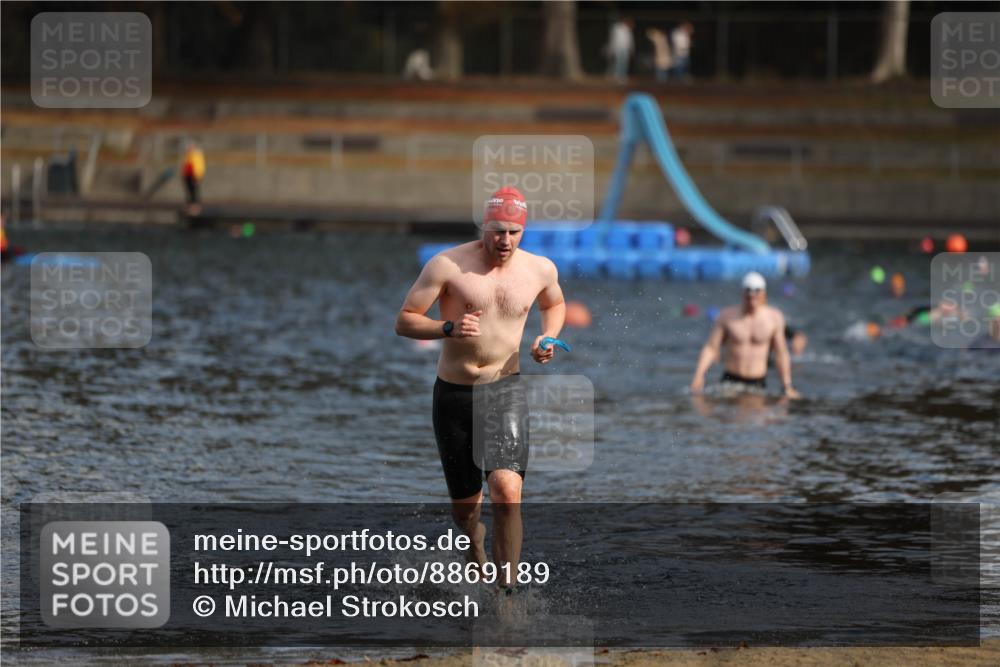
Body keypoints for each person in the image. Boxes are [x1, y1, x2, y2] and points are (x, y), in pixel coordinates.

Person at [395, 186, 567, 592]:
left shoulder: (540, 269)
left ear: (522, 231)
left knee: (508, 492)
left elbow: (554, 305)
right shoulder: (447, 265)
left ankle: (506, 594)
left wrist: (548, 339)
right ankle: (475, 550)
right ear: (483, 226)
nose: (504, 240)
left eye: (512, 232)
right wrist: (447, 328)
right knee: (466, 513)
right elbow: (404, 320)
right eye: (496, 231)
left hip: (503, 390)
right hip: (454, 395)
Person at [690, 272, 800, 398]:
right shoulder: (727, 316)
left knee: (759, 415)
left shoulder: (774, 318)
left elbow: (781, 354)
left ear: (764, 294)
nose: (752, 298)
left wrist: (786, 385)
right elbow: (711, 348)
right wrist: (699, 376)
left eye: (756, 293)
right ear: (742, 294)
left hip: (758, 383)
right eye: (748, 294)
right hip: (730, 381)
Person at [181, 140, 205, 215]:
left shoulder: (197, 154)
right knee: (188, 190)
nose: (188, 148)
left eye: (190, 147)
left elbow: (200, 165)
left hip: (194, 175)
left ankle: (196, 206)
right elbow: (185, 165)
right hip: (187, 175)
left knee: (194, 190)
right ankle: (189, 205)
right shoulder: (188, 155)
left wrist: (198, 175)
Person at [606, 18, 634, 83]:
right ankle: (617, 76)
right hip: (618, 48)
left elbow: (630, 41)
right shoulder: (617, 28)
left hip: (625, 48)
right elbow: (613, 39)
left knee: (625, 63)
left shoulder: (628, 30)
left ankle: (622, 76)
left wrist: (631, 49)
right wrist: (611, 49)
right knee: (618, 63)